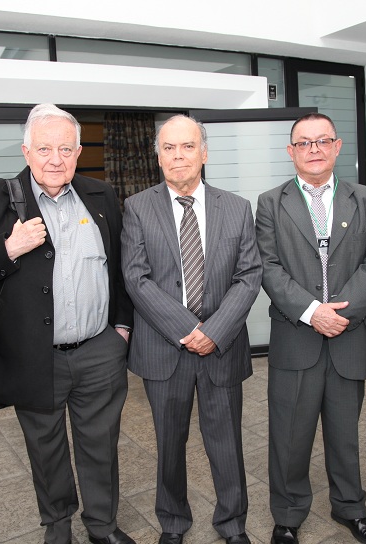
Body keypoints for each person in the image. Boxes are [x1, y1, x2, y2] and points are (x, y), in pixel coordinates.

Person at [0, 104, 135, 544]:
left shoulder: (101, 195)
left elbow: (122, 269)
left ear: (77, 152)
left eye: (65, 149)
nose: (55, 159)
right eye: (44, 149)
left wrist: (121, 330)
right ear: (26, 151)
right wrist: (9, 248)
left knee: (101, 446)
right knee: (46, 449)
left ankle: (102, 526)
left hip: (98, 350)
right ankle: (58, 529)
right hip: (34, 357)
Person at [121, 115, 262, 544]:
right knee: (168, 445)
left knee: (226, 444)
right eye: (168, 148)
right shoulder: (137, 207)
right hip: (165, 350)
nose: (177, 156)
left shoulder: (236, 207)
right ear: (158, 155)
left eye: (186, 147)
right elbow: (136, 277)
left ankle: (233, 525)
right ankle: (173, 523)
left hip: (221, 348)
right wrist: (187, 329)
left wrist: (213, 331)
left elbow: (249, 275)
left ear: (204, 153)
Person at [255, 113, 366, 544]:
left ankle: (351, 508)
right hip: (297, 337)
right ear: (291, 152)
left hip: (349, 336)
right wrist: (313, 310)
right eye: (304, 142)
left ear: (337, 147)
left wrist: (341, 314)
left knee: (345, 433)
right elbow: (268, 266)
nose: (314, 149)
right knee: (289, 436)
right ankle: (288, 515)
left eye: (323, 141)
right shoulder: (270, 202)